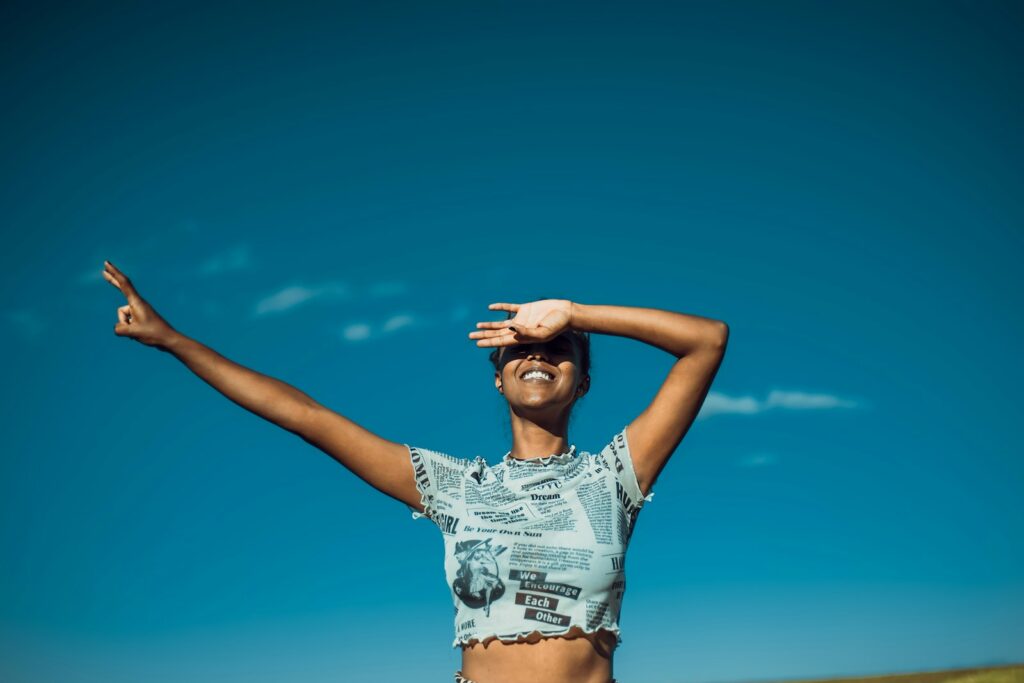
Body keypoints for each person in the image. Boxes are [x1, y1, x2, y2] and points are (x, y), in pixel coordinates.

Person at [101, 260, 729, 683]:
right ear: (497, 375)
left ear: (583, 379)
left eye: (556, 349)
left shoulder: (614, 477)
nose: (538, 355)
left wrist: (573, 314)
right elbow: (306, 415)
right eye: (520, 349)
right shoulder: (455, 487)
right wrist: (174, 340)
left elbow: (706, 340)